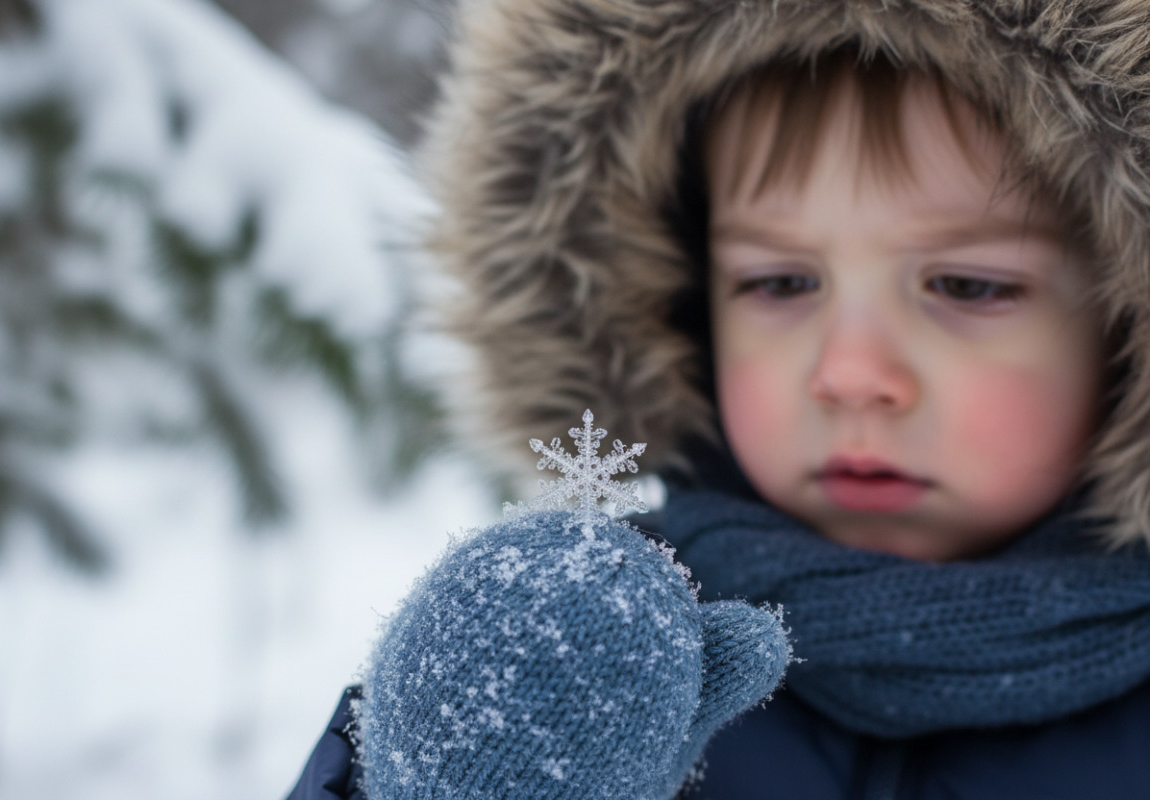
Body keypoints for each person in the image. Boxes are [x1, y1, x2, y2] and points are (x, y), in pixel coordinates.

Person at [286, 1, 1150, 798]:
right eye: (780, 282)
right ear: (684, 303)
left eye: (966, 285)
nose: (848, 373)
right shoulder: (597, 647)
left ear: (1126, 318)